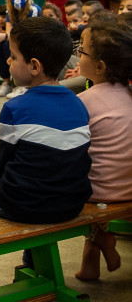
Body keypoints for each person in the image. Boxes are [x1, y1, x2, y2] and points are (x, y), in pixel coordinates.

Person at [0, 17, 92, 297]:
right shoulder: (79, 104)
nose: (8, 63)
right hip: (73, 202)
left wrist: (0, 186)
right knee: (39, 180)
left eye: (12, 57)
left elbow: (3, 164)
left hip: (25, 203)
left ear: (34, 66)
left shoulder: (16, 107)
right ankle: (32, 264)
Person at [73, 23, 132, 281]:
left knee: (82, 174)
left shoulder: (84, 101)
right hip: (129, 187)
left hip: (99, 192)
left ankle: (100, 241)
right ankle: (91, 258)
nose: (77, 53)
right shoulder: (129, 94)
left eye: (82, 51)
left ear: (99, 67)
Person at [0, 0, 41, 98]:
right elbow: (9, 32)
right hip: (17, 40)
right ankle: (6, 82)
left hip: (32, 42)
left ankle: (23, 85)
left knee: (15, 46)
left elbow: (30, 34)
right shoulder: (9, 11)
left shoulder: (34, 10)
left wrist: (6, 37)